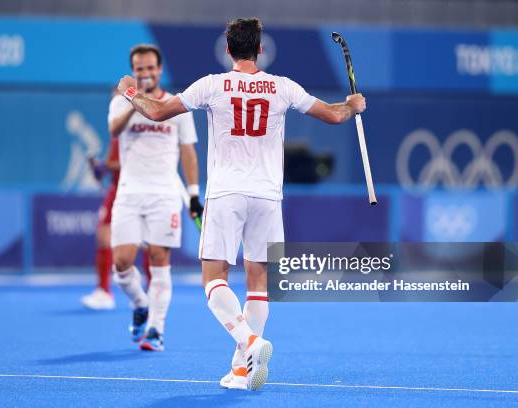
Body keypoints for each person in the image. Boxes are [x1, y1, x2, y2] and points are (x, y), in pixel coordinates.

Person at [116, 18, 366, 389]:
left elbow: (155, 111)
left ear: (228, 49)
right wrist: (351, 106)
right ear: (261, 49)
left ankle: (249, 342)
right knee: (258, 281)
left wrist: (130, 93)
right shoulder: (282, 87)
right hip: (267, 195)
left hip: (227, 193)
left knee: (213, 280)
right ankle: (240, 369)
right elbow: (332, 115)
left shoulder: (212, 85)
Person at [110, 44, 203, 351]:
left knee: (159, 259)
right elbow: (114, 130)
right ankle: (139, 302)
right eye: (140, 69)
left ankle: (156, 329)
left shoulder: (177, 106)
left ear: (159, 70)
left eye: (151, 68)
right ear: (134, 71)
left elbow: (188, 151)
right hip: (129, 192)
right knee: (122, 263)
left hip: (164, 193)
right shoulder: (120, 100)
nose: (146, 73)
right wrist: (130, 99)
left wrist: (192, 193)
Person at [80, 136, 151, 310]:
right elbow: (110, 166)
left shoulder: (145, 125)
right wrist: (98, 168)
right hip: (117, 190)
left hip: (143, 189)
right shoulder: (117, 131)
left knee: (148, 242)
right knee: (103, 235)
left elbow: (136, 163)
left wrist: (106, 166)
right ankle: (103, 292)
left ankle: (152, 291)